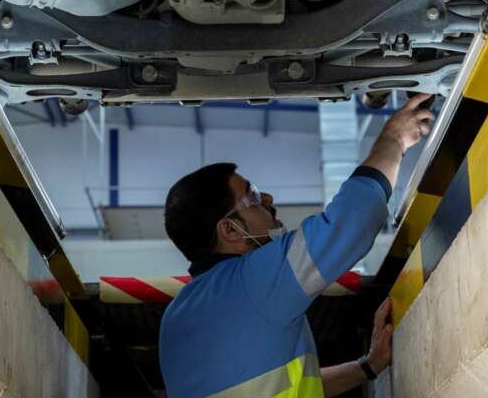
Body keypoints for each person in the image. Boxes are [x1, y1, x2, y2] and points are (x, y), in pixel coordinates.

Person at [159, 93, 436, 397]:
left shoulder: (176, 317)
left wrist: (368, 366)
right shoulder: (252, 280)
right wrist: (394, 139)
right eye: (251, 197)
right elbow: (351, 222)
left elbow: (283, 386)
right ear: (230, 230)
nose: (267, 200)